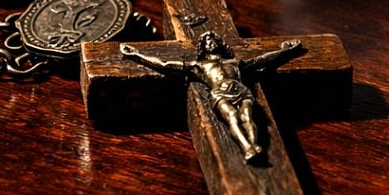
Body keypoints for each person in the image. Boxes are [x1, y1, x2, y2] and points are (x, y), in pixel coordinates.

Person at [119, 32, 305, 162]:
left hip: (240, 89)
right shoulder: (198, 66)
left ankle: (255, 144)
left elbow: (263, 59)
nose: (210, 42)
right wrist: (137, 55)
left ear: (219, 43)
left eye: (213, 39)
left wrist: (286, 50)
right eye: (207, 40)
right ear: (203, 47)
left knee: (249, 117)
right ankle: (246, 147)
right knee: (232, 117)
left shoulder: (235, 62)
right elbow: (165, 64)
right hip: (219, 92)